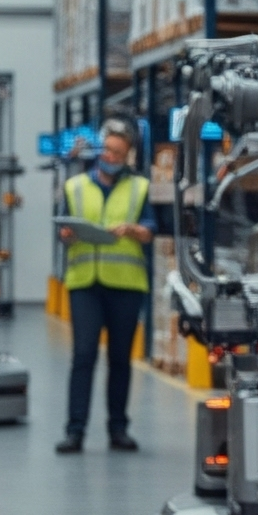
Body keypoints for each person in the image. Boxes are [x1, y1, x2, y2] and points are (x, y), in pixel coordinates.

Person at [57, 118, 154, 454]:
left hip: (126, 284)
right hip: (84, 282)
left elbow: (152, 229)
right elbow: (63, 229)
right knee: (83, 355)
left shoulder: (140, 188)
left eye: (118, 152)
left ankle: (118, 429)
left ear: (127, 156)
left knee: (120, 359)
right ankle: (75, 431)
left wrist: (135, 230)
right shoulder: (75, 187)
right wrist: (66, 235)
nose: (110, 155)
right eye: (107, 149)